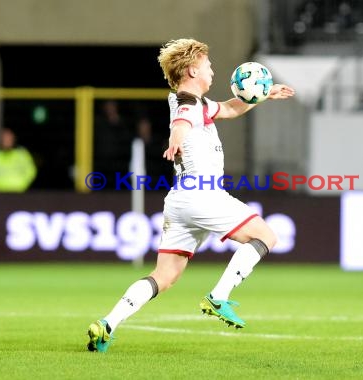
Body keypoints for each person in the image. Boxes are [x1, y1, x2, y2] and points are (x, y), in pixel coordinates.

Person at [86, 38, 295, 352]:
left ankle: (107, 325)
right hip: (203, 194)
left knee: (164, 275)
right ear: (193, 69)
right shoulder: (189, 102)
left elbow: (229, 108)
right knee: (266, 236)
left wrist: (262, 94)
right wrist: (175, 138)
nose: (212, 70)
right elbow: (183, 120)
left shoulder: (198, 103)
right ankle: (219, 297)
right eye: (208, 65)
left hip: (180, 201)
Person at [0, 127, 37, 192]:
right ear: (0, 140)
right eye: (4, 138)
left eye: (9, 138)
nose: (6, 140)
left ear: (13, 139)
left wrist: (22, 184)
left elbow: (31, 171)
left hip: (18, 191)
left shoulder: (22, 154)